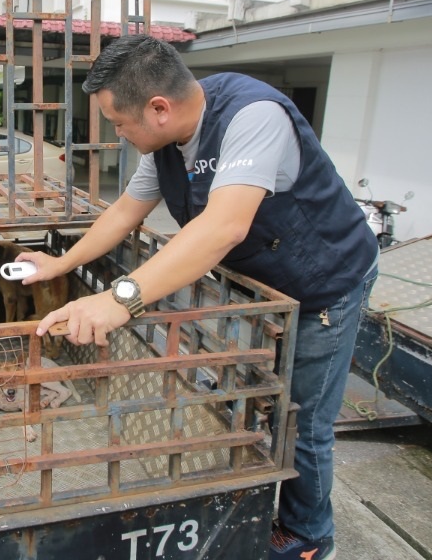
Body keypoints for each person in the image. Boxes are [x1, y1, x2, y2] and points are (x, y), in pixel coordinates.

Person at [25, 35, 378, 560]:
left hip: (325, 283)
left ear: (158, 109)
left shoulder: (253, 117)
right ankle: (246, 494)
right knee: (242, 395)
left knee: (303, 421)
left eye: (119, 124)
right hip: (261, 283)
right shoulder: (166, 144)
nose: (118, 135)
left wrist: (119, 300)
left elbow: (224, 227)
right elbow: (125, 211)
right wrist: (63, 262)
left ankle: (309, 534)